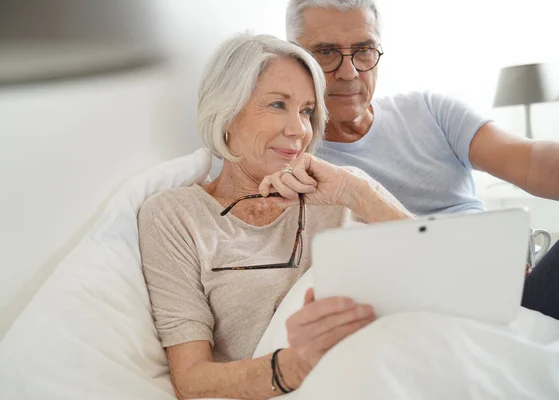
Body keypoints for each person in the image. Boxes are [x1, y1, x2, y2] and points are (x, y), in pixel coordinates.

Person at [138, 33, 413, 399]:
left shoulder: (345, 190)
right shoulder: (176, 216)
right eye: (278, 105)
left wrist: (355, 193)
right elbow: (191, 381)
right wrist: (296, 366)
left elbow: (445, 269)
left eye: (307, 111)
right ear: (227, 114)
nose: (299, 130)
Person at [285, 0, 559, 216]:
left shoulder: (431, 111)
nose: (350, 72)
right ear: (294, 58)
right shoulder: (291, 156)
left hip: (502, 276)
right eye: (326, 52)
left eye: (364, 49)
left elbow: (532, 162)